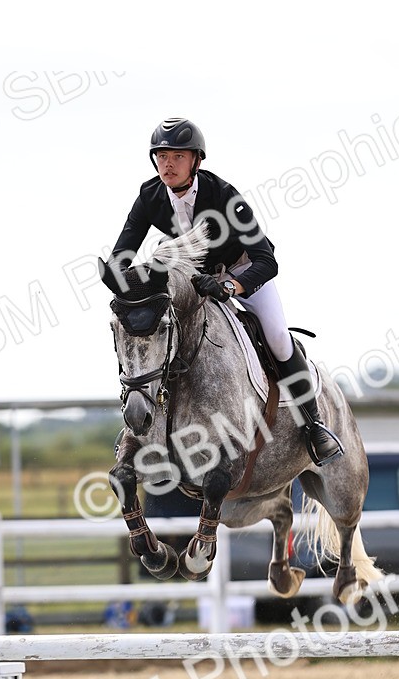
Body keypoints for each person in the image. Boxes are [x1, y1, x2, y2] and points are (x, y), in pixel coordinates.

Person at [104, 116, 343, 466]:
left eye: (177, 157)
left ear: (196, 161)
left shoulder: (225, 196)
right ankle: (149, 428)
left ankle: (313, 425)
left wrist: (231, 285)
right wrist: (123, 282)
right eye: (161, 157)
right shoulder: (150, 196)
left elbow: (267, 259)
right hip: (197, 282)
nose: (167, 165)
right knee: (163, 334)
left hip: (245, 273)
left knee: (277, 336)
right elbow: (121, 255)